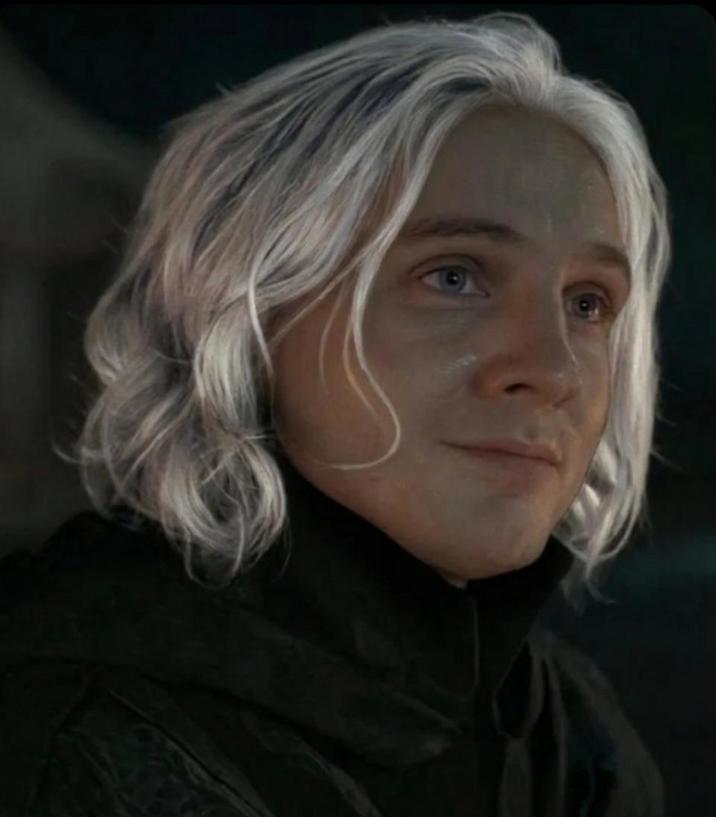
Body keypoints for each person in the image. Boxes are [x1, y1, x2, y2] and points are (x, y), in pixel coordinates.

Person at [0, 11, 671, 816]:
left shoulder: (568, 731)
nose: (554, 370)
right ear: (249, 310)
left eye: (588, 302)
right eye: (455, 277)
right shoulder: (79, 740)